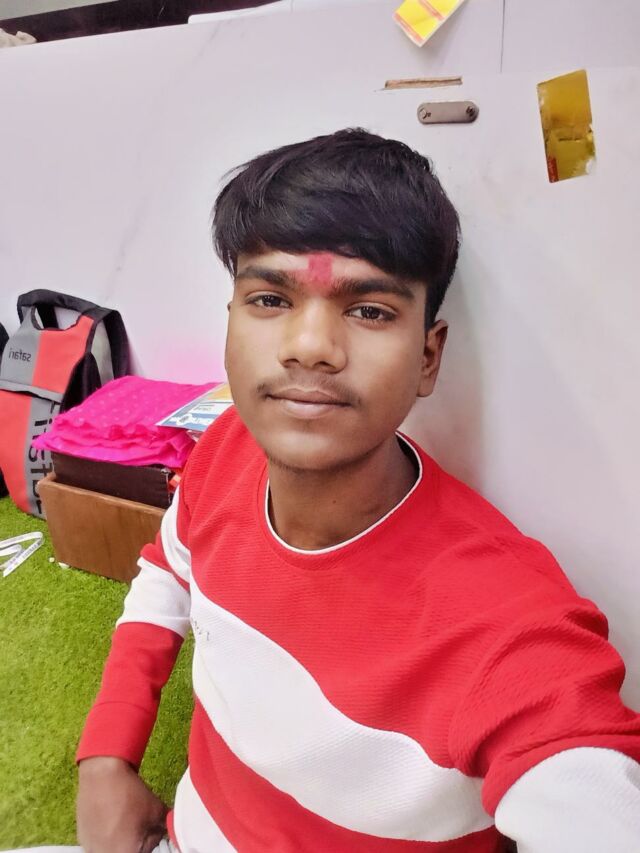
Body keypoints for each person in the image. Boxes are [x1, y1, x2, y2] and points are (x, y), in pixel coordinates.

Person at [75, 129, 640, 852]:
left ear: (428, 357)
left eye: (369, 309)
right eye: (270, 298)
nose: (310, 346)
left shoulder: (505, 627)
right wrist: (107, 754)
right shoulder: (226, 448)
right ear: (231, 321)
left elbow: (582, 780)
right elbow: (167, 569)